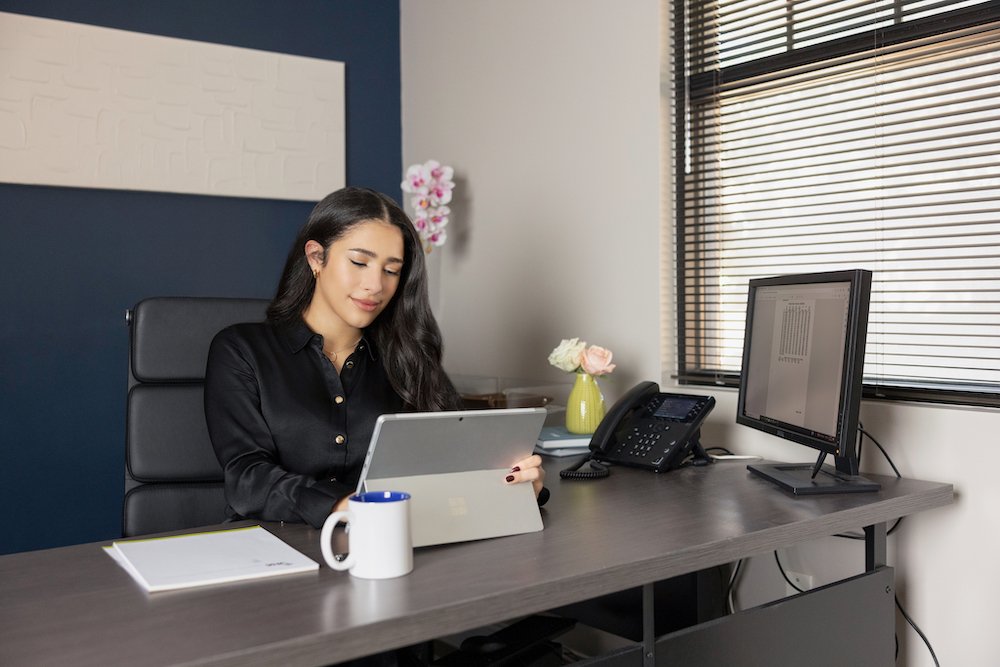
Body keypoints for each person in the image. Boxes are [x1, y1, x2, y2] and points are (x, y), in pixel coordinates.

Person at [204, 186, 546, 529]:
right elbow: (248, 478)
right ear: (315, 258)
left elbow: (457, 459)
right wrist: (344, 506)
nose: (375, 285)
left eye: (391, 270)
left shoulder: (408, 356)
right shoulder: (241, 350)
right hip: (274, 551)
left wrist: (518, 481)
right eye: (359, 262)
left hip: (392, 544)